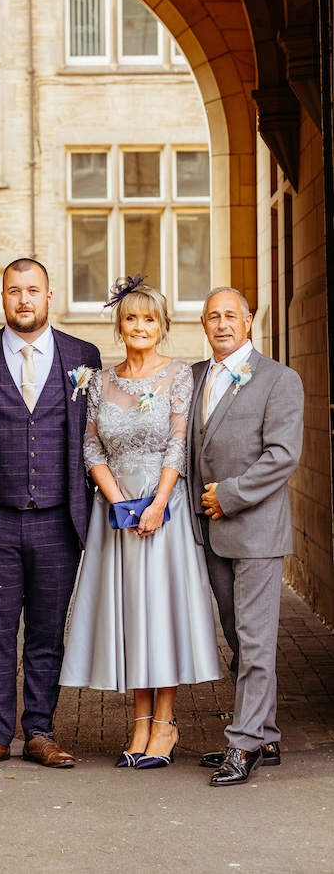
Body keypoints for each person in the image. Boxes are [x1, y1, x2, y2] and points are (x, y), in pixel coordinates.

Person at [60, 279, 221, 768]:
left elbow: (178, 443)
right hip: (117, 516)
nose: (139, 326)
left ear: (162, 326)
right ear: (119, 325)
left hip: (164, 512)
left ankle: (165, 724)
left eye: (149, 319)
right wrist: (119, 503)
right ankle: (140, 723)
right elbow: (91, 446)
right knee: (131, 613)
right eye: (131, 318)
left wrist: (157, 503)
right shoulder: (100, 382)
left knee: (161, 612)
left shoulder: (178, 375)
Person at [0, 258, 100, 769]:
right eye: (14, 291)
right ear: (3, 298)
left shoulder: (83, 356)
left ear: (49, 296)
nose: (24, 299)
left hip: (59, 519)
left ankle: (39, 731)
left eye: (33, 290)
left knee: (46, 632)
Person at [188, 286, 304, 786]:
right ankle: (266, 735)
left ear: (248, 320)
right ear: (203, 324)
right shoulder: (194, 376)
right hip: (209, 530)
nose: (222, 324)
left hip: (255, 529)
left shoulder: (279, 379)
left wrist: (229, 495)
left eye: (230, 316)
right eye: (212, 316)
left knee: (255, 640)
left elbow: (283, 455)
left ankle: (242, 744)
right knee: (238, 637)